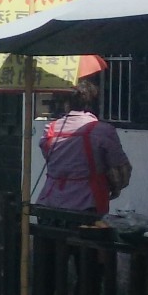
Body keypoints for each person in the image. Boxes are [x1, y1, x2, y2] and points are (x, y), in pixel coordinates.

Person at [36, 84, 131, 217]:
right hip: (87, 206)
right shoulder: (103, 131)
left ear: (66, 104)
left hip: (50, 204)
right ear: (92, 103)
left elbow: (50, 157)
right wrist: (115, 189)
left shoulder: (50, 129)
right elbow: (122, 169)